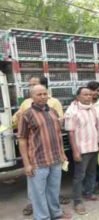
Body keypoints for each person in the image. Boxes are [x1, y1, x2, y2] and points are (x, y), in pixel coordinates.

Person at [13, 76, 68, 217]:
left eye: (45, 93)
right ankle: (43, 217)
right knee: (38, 194)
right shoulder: (26, 115)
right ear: (32, 97)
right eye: (39, 94)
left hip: (55, 160)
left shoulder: (53, 112)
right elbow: (22, 140)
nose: (43, 97)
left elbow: (58, 135)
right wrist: (26, 164)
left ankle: (56, 214)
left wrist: (62, 154)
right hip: (38, 162)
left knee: (53, 190)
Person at [65, 87, 99, 215]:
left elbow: (97, 127)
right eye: (85, 95)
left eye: (90, 95)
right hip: (81, 149)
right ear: (78, 97)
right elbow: (71, 133)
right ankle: (77, 201)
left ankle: (88, 193)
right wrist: (75, 151)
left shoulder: (93, 109)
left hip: (94, 147)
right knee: (79, 176)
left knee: (92, 173)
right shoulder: (72, 111)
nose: (88, 97)